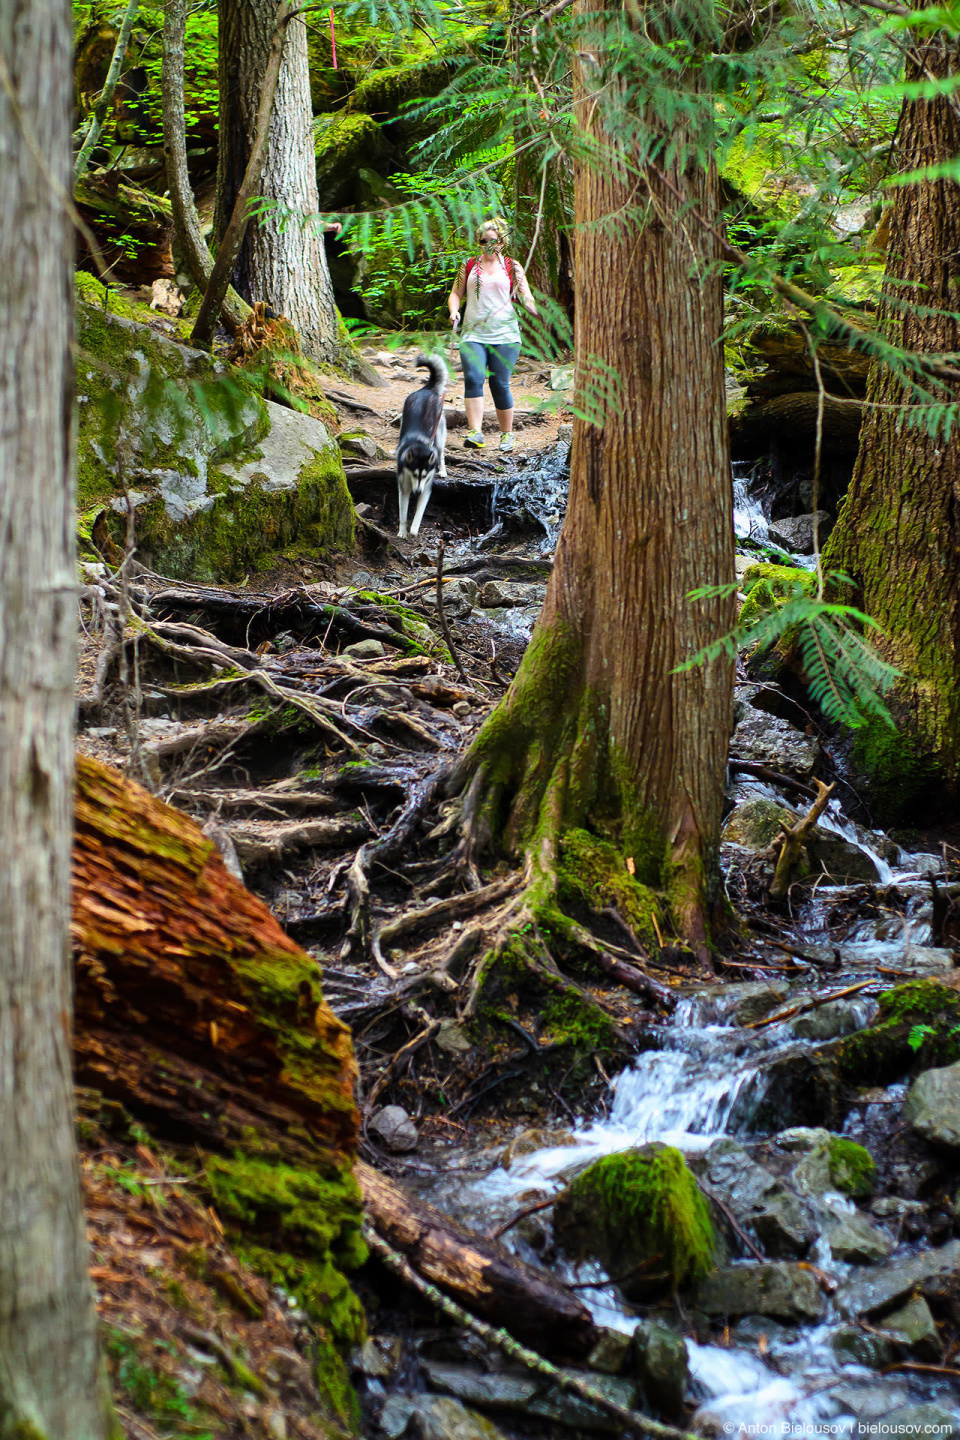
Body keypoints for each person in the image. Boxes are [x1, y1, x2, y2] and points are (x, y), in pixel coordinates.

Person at [448, 217, 537, 452]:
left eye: (493, 241)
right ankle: (475, 433)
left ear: (502, 242)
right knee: (474, 378)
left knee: (499, 383)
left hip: (506, 335)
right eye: (483, 240)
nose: (488, 245)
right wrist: (454, 311)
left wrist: (533, 309)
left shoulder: (512, 266)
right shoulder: (468, 265)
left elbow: (527, 295)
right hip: (473, 334)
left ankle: (506, 435)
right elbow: (455, 293)